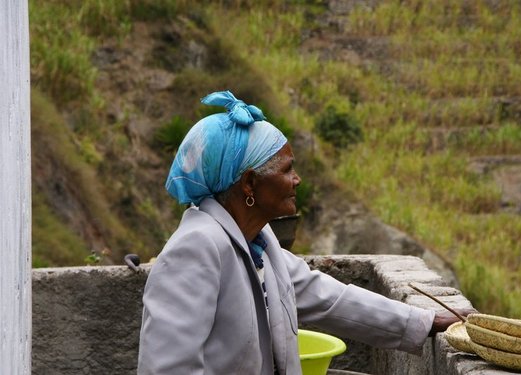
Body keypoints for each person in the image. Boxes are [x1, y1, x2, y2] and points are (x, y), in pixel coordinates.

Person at [138, 91, 472, 375]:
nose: (296, 180)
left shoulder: (258, 243)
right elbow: (168, 366)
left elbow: (330, 299)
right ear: (250, 183)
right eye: (286, 169)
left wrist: (425, 321)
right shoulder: (196, 249)